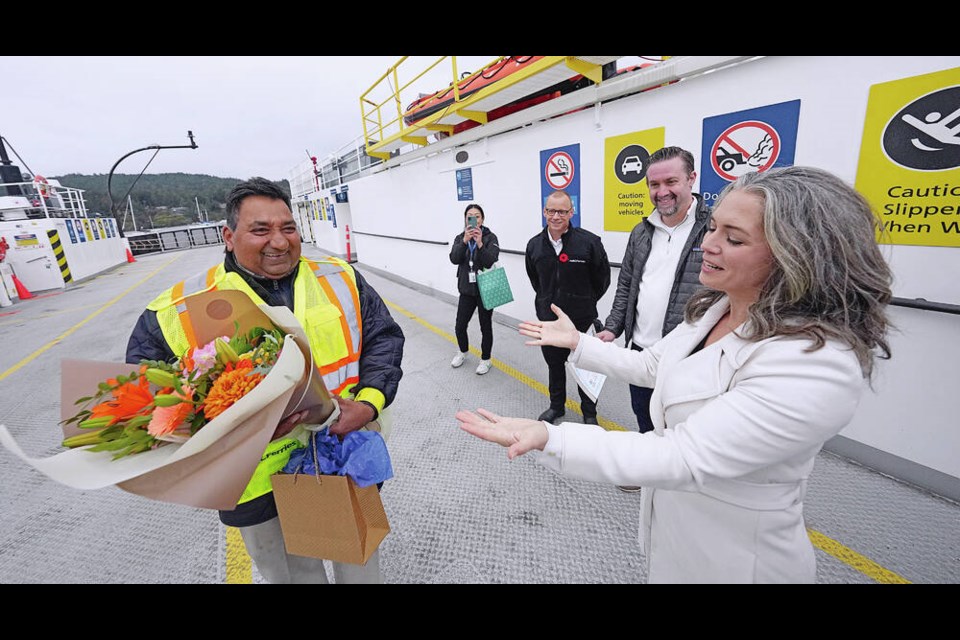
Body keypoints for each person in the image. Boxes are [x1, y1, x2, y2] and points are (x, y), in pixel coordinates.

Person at [459, 166, 892, 583]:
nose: (707, 245)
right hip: (675, 535)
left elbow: (681, 455)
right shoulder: (714, 310)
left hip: (740, 562)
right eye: (713, 228)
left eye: (733, 237)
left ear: (795, 256)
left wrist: (551, 438)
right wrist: (579, 343)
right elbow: (651, 364)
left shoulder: (815, 362)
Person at [126, 177, 405, 584]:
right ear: (228, 236)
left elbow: (384, 339)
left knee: (358, 561)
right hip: (253, 479)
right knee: (289, 573)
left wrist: (368, 404)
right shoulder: (177, 308)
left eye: (288, 228)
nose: (279, 241)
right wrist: (226, 430)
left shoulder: (340, 278)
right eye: (260, 230)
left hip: (341, 452)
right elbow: (148, 395)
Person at [597, 146, 712, 438]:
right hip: (640, 351)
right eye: (654, 184)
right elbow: (626, 284)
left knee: (683, 429)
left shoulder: (713, 228)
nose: (662, 192)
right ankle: (648, 480)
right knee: (645, 421)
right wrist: (612, 327)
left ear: (691, 179)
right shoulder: (641, 231)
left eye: (671, 182)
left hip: (687, 355)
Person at [524, 189, 610, 425]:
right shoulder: (534, 246)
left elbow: (602, 281)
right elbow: (536, 281)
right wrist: (547, 302)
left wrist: (583, 301)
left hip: (581, 320)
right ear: (544, 212)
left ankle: (590, 414)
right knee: (554, 365)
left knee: (585, 367)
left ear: (572, 212)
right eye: (551, 210)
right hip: (549, 321)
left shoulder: (590, 243)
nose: (556, 216)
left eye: (562, 211)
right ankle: (556, 406)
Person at [449, 203, 500, 375]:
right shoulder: (460, 237)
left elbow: (489, 260)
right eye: (470, 216)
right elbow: (454, 258)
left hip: (485, 289)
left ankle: (486, 360)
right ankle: (462, 351)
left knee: (485, 327)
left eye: (477, 216)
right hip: (466, 289)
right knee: (460, 325)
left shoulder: (490, 237)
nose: (473, 219)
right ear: (465, 219)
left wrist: (479, 243)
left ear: (482, 219)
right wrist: (464, 241)